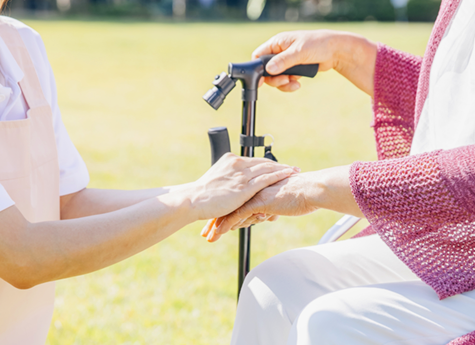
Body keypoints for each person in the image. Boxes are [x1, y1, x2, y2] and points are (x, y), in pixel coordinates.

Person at [0, 14, 300, 345]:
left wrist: (204, 191)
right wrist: (192, 201)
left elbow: (66, 203)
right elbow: (19, 254)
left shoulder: (21, 44)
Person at [202, 0, 475, 343]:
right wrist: (347, 53)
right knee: (273, 286)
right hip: (454, 241)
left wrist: (311, 188)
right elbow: (454, 108)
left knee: (333, 324)